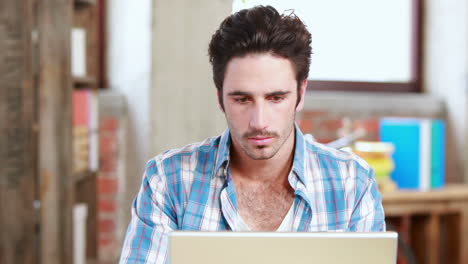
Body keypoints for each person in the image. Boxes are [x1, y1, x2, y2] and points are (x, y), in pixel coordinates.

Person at [119, 5, 385, 264]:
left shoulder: (352, 182)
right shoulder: (169, 180)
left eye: (276, 98)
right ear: (220, 98)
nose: (259, 122)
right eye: (242, 99)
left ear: (301, 94)